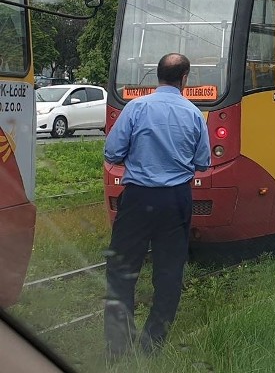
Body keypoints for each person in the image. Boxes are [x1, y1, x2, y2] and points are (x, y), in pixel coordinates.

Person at [103, 53, 211, 358]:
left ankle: (117, 348)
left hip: (137, 199)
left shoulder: (136, 108)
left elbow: (112, 153)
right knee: (168, 273)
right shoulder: (193, 114)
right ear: (185, 79)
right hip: (175, 200)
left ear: (157, 76)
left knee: (121, 271)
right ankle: (152, 343)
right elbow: (202, 162)